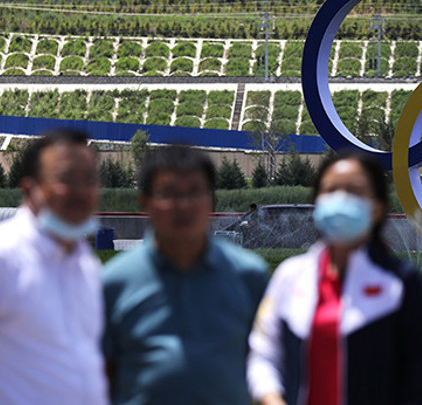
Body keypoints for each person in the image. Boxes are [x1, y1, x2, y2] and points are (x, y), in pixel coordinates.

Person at [248, 152, 422, 405]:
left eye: (354, 191)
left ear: (378, 208)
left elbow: (417, 380)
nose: (340, 200)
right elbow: (263, 354)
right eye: (330, 190)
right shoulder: (289, 276)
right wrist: (272, 399)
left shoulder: (402, 284)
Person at [101, 144, 270, 405]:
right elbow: (101, 377)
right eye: (168, 193)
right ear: (144, 202)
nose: (183, 206)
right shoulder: (113, 283)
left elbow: (265, 364)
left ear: (212, 200)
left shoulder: (249, 276)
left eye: (194, 192)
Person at [0, 129, 108, 405]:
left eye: (89, 179)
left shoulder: (86, 265)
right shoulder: (6, 256)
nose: (81, 191)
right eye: (66, 179)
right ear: (29, 188)